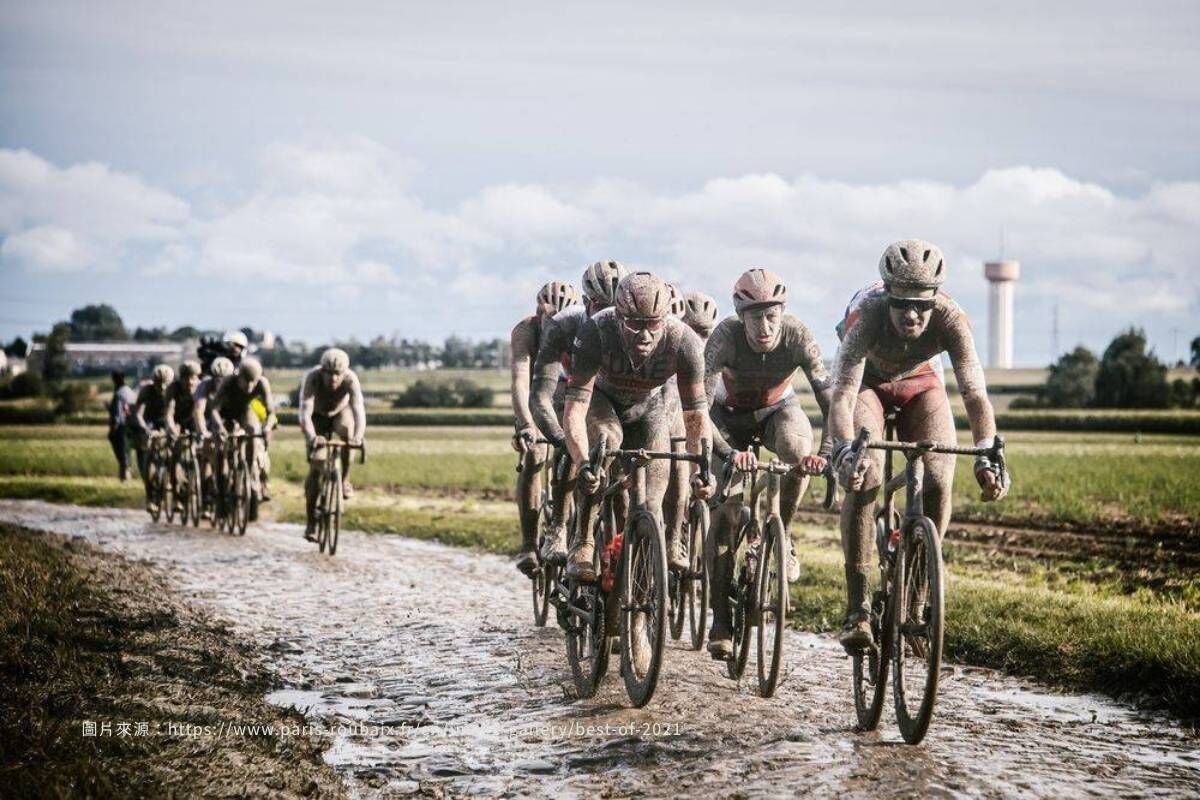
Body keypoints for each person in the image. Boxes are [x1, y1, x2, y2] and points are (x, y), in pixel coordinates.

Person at [828, 239, 1010, 652]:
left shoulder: (951, 318)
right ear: (888, 296)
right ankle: (857, 609)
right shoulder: (867, 315)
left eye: (922, 305)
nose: (912, 314)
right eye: (903, 304)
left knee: (940, 477)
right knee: (866, 474)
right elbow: (841, 396)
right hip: (868, 386)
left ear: (935, 299)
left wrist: (986, 451)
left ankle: (919, 590)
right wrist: (844, 449)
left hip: (920, 384)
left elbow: (976, 396)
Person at [702, 268, 833, 659]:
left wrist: (825, 456)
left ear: (782, 312)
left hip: (778, 410)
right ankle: (721, 618)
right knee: (725, 516)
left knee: (796, 447)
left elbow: (832, 405)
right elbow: (699, 411)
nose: (764, 326)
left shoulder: (798, 335)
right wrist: (726, 454)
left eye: (771, 315)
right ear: (741, 317)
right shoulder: (723, 337)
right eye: (755, 317)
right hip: (726, 416)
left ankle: (783, 534)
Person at [563, 271, 715, 583]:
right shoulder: (597, 330)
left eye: (653, 325)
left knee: (650, 502)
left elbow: (696, 418)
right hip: (602, 401)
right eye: (634, 324)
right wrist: (581, 462)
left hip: (649, 408)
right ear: (618, 317)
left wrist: (704, 468)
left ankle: (640, 578)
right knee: (604, 444)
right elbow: (575, 410)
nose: (644, 335)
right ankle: (583, 538)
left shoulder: (683, 341)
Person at [530, 260, 628, 565]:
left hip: (609, 395)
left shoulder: (631, 324)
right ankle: (558, 526)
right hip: (568, 389)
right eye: (601, 307)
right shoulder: (564, 325)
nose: (609, 316)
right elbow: (540, 397)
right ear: (586, 302)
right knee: (571, 449)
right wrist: (562, 440)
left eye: (616, 308)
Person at [511, 280, 581, 575]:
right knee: (535, 456)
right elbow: (519, 379)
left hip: (568, 397)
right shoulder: (526, 330)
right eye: (547, 317)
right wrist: (526, 424)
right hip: (534, 400)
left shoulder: (581, 329)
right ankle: (528, 544)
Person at [298, 348, 366, 541]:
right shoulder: (312, 378)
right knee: (316, 466)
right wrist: (312, 437)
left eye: (338, 374)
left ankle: (344, 479)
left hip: (340, 414)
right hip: (316, 418)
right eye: (329, 373)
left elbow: (359, 410)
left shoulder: (351, 380)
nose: (333, 378)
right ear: (322, 371)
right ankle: (311, 523)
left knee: (347, 431)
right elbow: (304, 412)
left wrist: (358, 437)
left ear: (345, 372)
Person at [210, 358, 276, 516]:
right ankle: (220, 496)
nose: (250, 386)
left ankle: (250, 469)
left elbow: (271, 412)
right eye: (246, 382)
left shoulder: (262, 383)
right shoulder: (228, 382)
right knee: (220, 451)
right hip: (225, 414)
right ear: (238, 377)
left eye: (253, 382)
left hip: (244, 412)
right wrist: (219, 428)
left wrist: (267, 427)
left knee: (254, 430)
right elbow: (214, 410)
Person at [193, 357, 235, 517]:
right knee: (207, 458)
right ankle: (206, 501)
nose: (220, 382)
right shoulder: (204, 385)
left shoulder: (234, 385)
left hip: (229, 422)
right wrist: (203, 432)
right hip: (210, 424)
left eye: (224, 379)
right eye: (217, 379)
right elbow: (198, 410)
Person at [132, 364, 174, 512]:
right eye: (158, 384)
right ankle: (151, 497)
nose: (162, 387)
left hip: (169, 422)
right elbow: (138, 414)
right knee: (149, 464)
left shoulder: (173, 390)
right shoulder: (146, 391)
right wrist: (147, 430)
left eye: (165, 384)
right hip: (150, 423)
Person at [107, 369, 137, 481]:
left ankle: (124, 477)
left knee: (122, 454)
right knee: (126, 452)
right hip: (132, 425)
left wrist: (113, 430)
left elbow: (117, 414)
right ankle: (126, 475)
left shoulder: (119, 394)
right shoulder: (130, 391)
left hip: (121, 427)